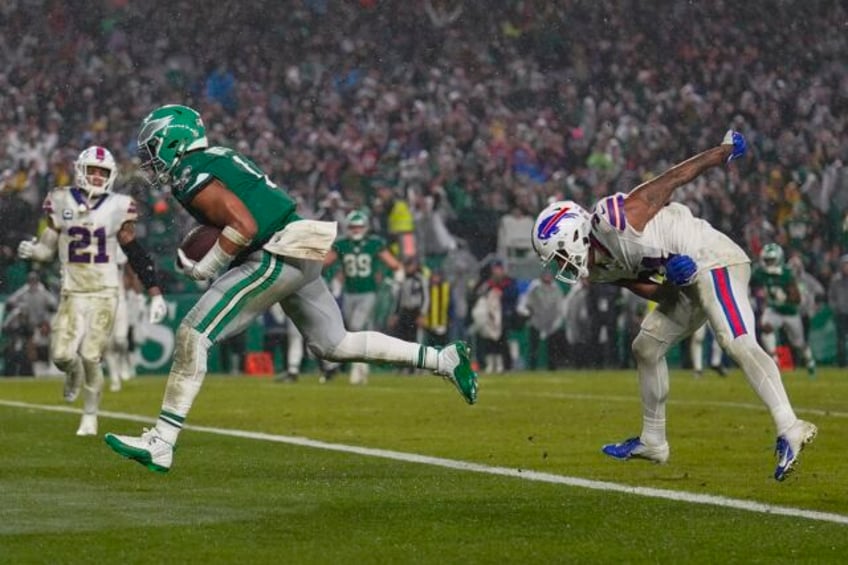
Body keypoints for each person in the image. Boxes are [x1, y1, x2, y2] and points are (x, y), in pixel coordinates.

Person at [105, 105, 477, 473]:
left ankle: (162, 442)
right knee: (334, 344)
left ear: (174, 141)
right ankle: (442, 359)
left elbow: (243, 226)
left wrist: (209, 265)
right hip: (297, 243)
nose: (149, 159)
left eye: (153, 147)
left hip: (275, 250)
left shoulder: (190, 171)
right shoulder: (216, 158)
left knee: (192, 333)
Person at [530, 130, 816, 481]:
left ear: (573, 235)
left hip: (714, 258)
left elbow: (674, 178)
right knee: (646, 347)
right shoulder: (599, 270)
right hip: (688, 279)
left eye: (558, 255)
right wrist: (671, 278)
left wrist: (721, 152)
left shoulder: (616, 219)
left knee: (735, 340)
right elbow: (656, 294)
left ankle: (790, 426)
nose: (560, 265)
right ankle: (653, 441)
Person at [17, 145, 167, 435]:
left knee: (91, 354)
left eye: (103, 172)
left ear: (110, 176)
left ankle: (90, 414)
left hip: (105, 290)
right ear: (80, 171)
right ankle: (72, 373)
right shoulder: (60, 200)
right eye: (92, 171)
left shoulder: (119, 206)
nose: (97, 177)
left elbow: (134, 251)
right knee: (61, 356)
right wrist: (33, 251)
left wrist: (155, 290)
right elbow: (48, 249)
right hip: (72, 291)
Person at [323, 209, 403, 385]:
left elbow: (394, 264)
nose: (356, 230)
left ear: (365, 227)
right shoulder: (342, 244)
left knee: (357, 326)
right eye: (353, 226)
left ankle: (356, 370)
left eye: (359, 226)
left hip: (368, 293)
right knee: (353, 330)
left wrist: (396, 282)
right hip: (349, 293)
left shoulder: (374, 244)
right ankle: (362, 367)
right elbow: (324, 262)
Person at [750, 243, 816, 377]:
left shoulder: (786, 273)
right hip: (773, 309)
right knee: (765, 326)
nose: (769, 263)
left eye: (771, 260)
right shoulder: (759, 272)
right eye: (767, 260)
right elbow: (750, 281)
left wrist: (786, 297)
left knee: (798, 343)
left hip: (790, 312)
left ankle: (809, 361)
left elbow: (797, 299)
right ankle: (774, 359)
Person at [828, 255, 848, 368]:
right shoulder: (836, 280)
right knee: (841, 339)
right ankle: (842, 363)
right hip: (841, 313)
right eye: (845, 265)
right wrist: (835, 307)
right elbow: (831, 296)